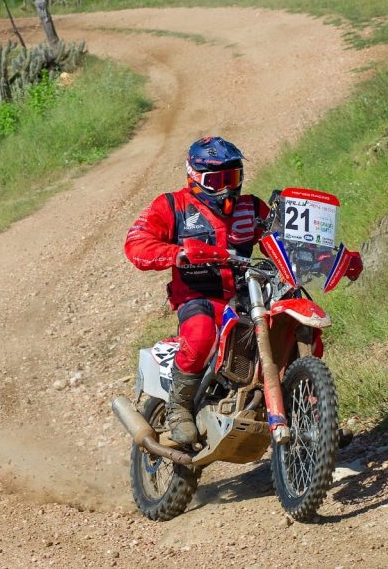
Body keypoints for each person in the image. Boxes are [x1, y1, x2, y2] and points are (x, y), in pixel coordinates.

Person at [123, 136, 362, 446]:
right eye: (218, 179)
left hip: (249, 292)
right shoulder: (172, 206)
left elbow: (289, 241)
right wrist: (178, 253)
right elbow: (136, 243)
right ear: (196, 178)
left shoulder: (251, 208)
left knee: (301, 329)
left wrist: (333, 258)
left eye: (233, 178)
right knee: (200, 336)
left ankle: (315, 416)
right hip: (199, 293)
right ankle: (179, 408)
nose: (227, 187)